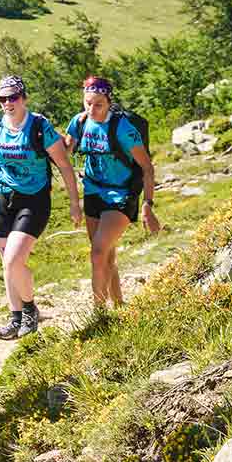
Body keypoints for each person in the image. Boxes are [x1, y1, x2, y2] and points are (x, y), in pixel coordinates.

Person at [0, 74, 81, 339]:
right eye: (2, 98)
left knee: (13, 259)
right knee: (7, 263)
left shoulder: (39, 126)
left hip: (34, 199)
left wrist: (74, 204)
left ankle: (30, 309)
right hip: (1, 199)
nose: (7, 103)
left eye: (13, 97)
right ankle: (15, 317)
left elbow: (65, 167)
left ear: (23, 98)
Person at [63, 75, 161, 308]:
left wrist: (148, 205)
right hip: (93, 191)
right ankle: (119, 304)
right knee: (105, 254)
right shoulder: (79, 122)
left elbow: (147, 167)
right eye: (88, 103)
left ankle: (98, 314)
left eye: (98, 104)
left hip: (121, 194)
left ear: (109, 102)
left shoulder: (123, 128)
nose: (92, 109)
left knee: (98, 252)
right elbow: (64, 152)